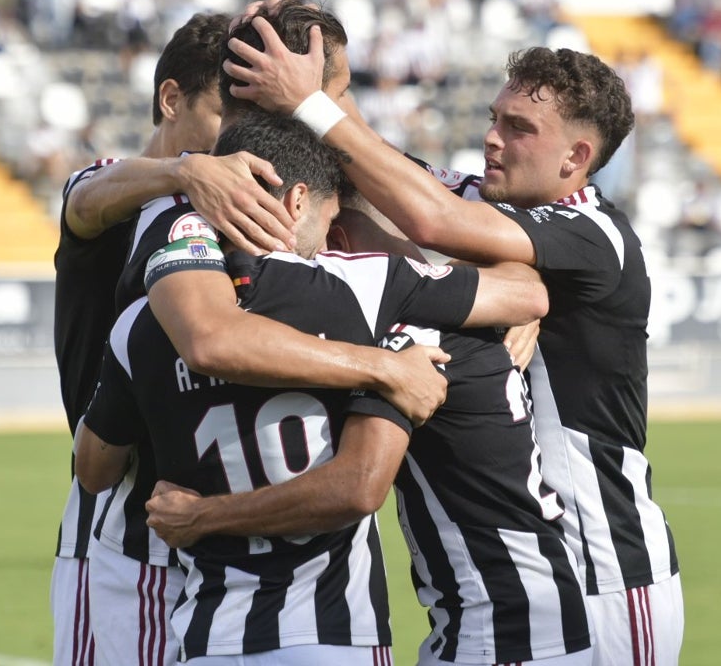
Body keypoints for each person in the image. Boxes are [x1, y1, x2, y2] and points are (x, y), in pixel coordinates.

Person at [226, 29, 684, 666]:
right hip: (531, 566)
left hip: (604, 568)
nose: (494, 136)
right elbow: (383, 169)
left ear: (575, 158)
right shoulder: (502, 208)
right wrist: (325, 79)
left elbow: (431, 220)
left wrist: (312, 104)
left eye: (520, 127)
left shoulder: (594, 232)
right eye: (495, 118)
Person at [77, 111, 550, 664]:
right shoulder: (363, 285)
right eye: (330, 220)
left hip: (207, 634)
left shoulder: (141, 320)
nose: (332, 239)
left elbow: (95, 468)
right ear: (297, 201)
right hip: (334, 634)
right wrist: (385, 360)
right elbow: (524, 294)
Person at [74, 3, 453, 665]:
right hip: (139, 546)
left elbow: (442, 221)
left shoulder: (151, 307)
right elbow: (209, 338)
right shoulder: (151, 206)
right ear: (172, 101)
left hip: (198, 581)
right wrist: (384, 365)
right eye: (231, 119)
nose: (240, 148)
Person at [145, 196, 593, 666]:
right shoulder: (449, 314)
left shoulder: (413, 334)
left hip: (504, 625)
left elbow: (356, 486)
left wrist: (203, 517)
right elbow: (524, 287)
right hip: (516, 615)